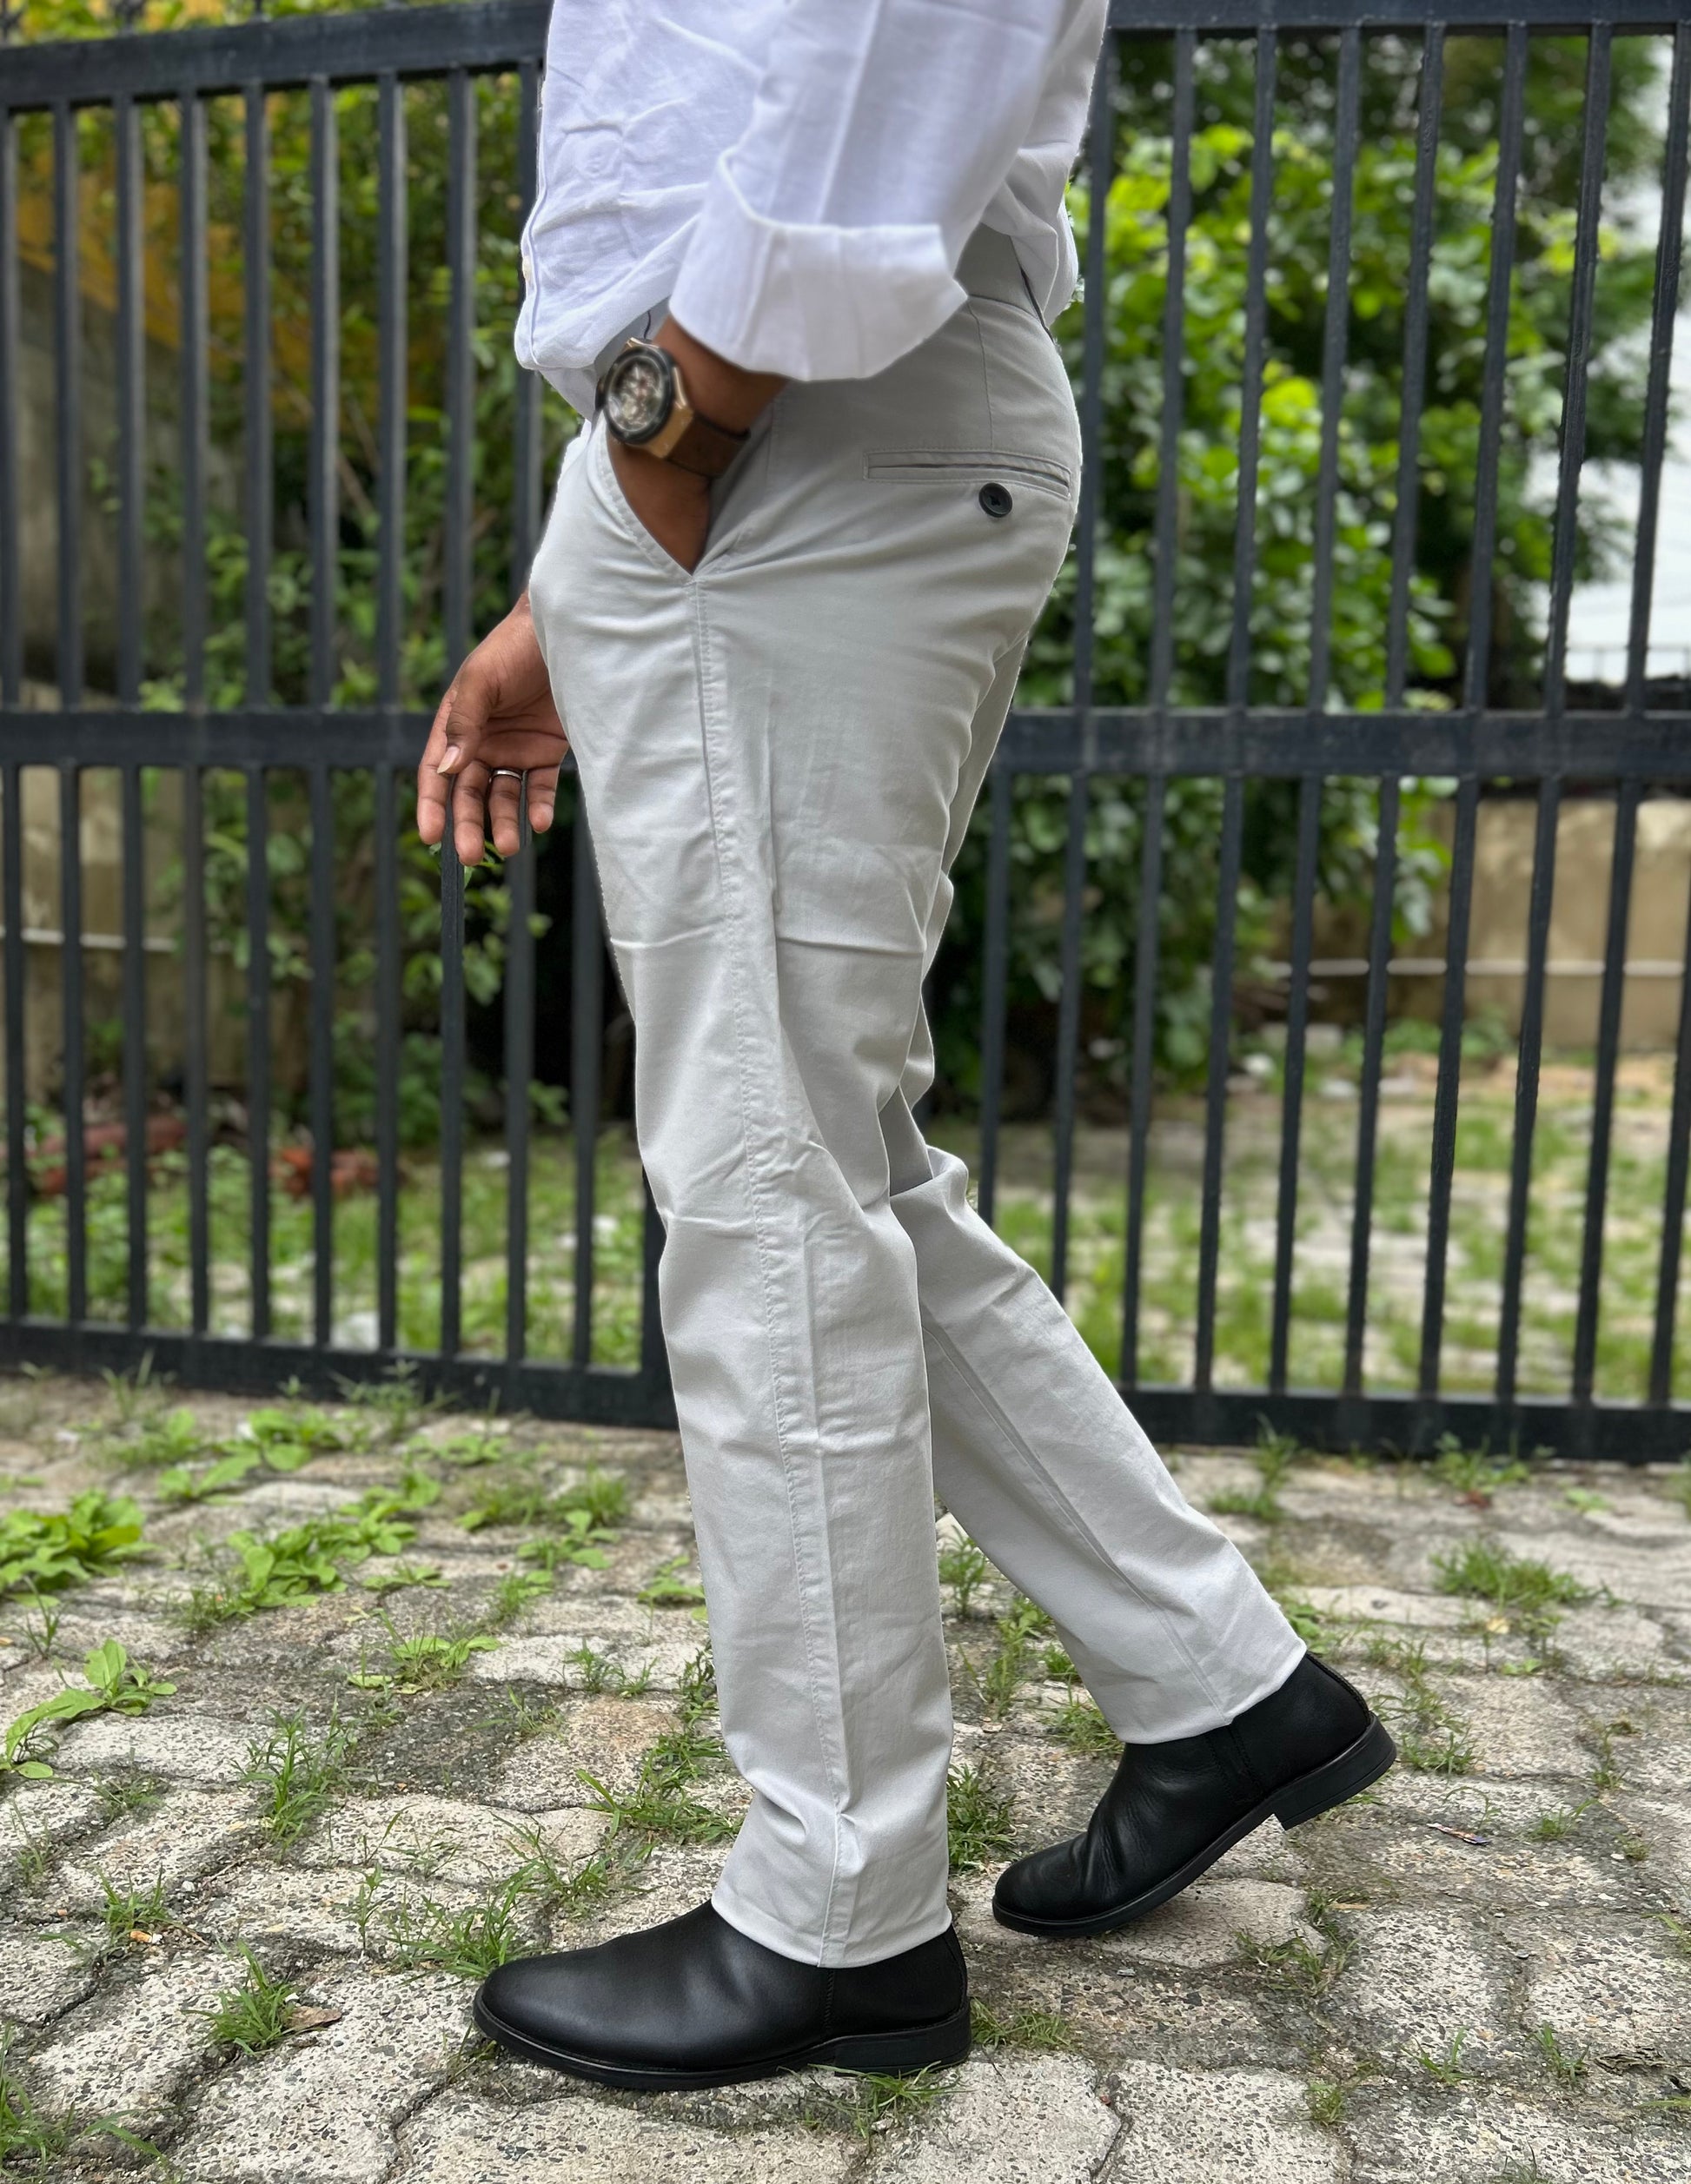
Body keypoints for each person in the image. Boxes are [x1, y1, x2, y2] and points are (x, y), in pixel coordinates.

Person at [414, 0, 1395, 2095]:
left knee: (768, 1184)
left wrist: (675, 433)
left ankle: (839, 1915)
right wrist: (585, 560)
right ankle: (1219, 1687)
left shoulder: (733, 403)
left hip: (791, 427)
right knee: (826, 1161)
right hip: (772, 440)